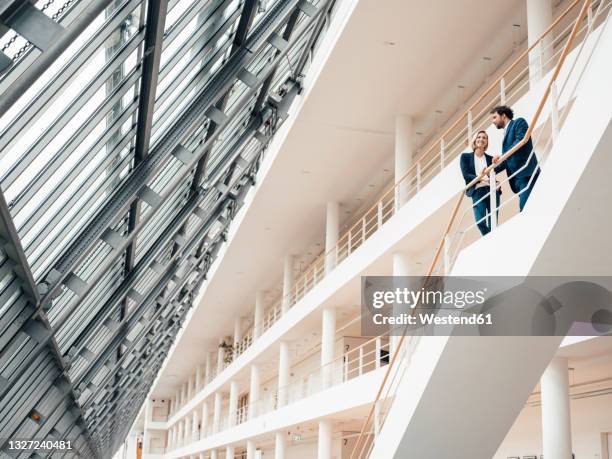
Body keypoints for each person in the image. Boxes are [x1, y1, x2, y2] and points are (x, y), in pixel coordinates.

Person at [489, 105, 540, 211]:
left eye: (494, 117)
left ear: (503, 116)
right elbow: (506, 160)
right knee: (528, 208)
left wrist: (502, 156)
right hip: (517, 180)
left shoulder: (519, 123)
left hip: (527, 173)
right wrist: (491, 170)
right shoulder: (505, 134)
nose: (493, 121)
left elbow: (521, 140)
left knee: (525, 209)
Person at [460, 131, 501, 236]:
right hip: (477, 191)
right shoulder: (465, 157)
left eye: (484, 138)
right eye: (479, 137)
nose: (481, 139)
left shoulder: (489, 158)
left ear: (486, 142)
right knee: (480, 222)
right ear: (475, 139)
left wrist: (498, 160)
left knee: (493, 224)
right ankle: (490, 239)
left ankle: (490, 241)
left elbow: (500, 168)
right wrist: (481, 177)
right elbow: (466, 175)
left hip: (492, 190)